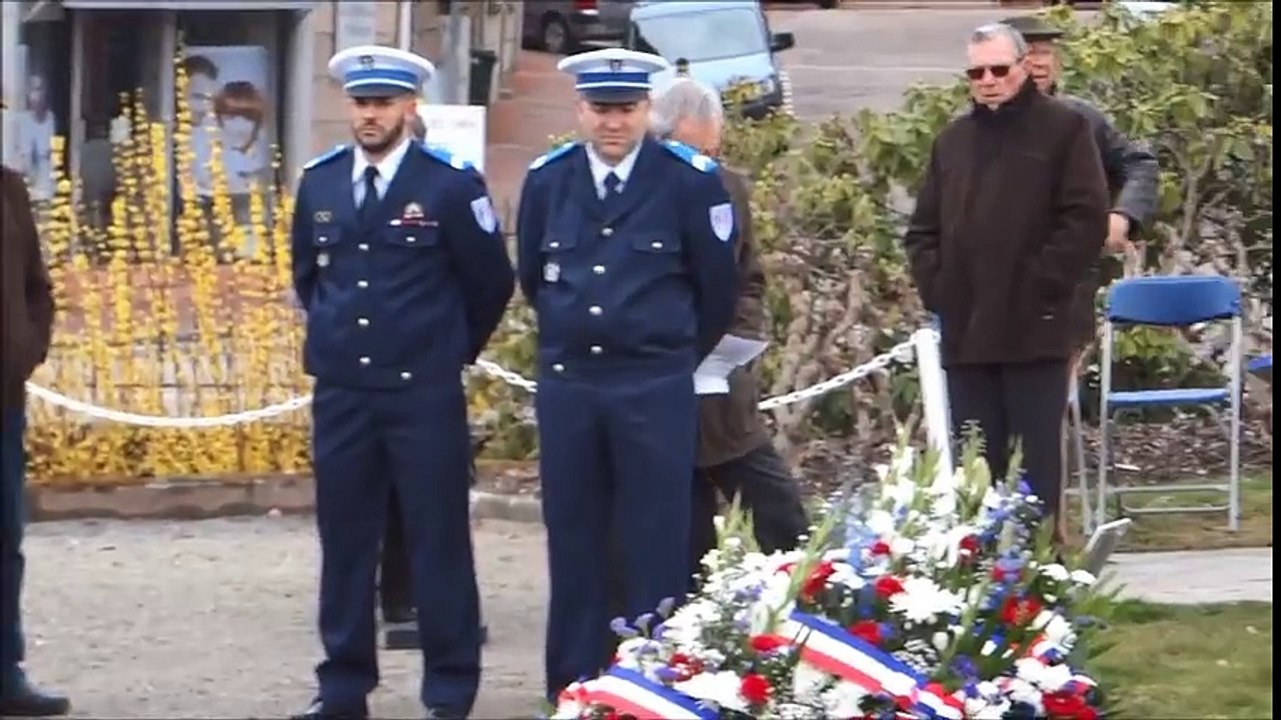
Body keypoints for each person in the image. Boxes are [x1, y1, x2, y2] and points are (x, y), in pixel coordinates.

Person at [289, 45, 515, 720]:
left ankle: (448, 689)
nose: (369, 115)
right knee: (346, 541)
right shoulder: (323, 181)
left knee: (436, 539)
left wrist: (447, 350)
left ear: (409, 106)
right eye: (360, 103)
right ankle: (343, 688)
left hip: (421, 391)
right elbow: (309, 276)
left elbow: (489, 283)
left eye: (383, 103)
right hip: (344, 393)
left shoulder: (449, 183)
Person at [516, 48, 739, 703]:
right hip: (572, 386)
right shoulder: (548, 180)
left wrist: (664, 353)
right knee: (574, 537)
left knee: (654, 541)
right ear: (579, 110)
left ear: (647, 110)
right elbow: (534, 277)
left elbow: (715, 291)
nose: (613, 123)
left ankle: (652, 686)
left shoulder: (689, 181)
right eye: (600, 109)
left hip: (652, 383)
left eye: (626, 109)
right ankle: (574, 686)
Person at [903, 23, 1108, 531]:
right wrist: (941, 288)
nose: (989, 80)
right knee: (977, 468)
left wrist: (1041, 283)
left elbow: (1085, 218)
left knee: (1036, 467)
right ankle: (979, 581)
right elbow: (923, 229)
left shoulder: (1064, 129)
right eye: (977, 72)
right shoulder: (953, 141)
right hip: (968, 333)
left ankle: (1039, 579)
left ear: (1022, 67)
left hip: (1035, 327)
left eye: (999, 69)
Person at [1002, 14, 1160, 534]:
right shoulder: (977, 129)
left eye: (1047, 51)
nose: (1040, 60)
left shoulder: (1081, 119)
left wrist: (1122, 215)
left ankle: (1053, 530)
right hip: (994, 292)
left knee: (1049, 405)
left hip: (1064, 288)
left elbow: (1139, 162)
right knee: (994, 417)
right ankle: (997, 531)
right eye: (1029, 51)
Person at [648, 77, 808, 570]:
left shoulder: (726, 184)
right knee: (685, 512)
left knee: (768, 496)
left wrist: (733, 345)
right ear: (685, 125)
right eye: (712, 127)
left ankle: (805, 578)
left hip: (719, 375)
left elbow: (748, 278)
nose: (718, 138)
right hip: (661, 373)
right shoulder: (646, 186)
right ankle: (689, 608)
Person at [1, 163, 68, 716]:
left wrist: (27, 349)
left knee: (4, 541)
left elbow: (36, 286)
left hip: (1, 401)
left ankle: (4, 671)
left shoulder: (8, 188)